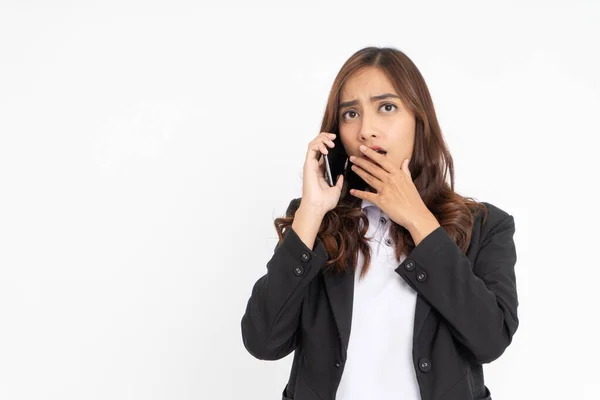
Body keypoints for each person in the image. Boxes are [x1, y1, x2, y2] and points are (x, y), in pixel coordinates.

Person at [240, 46, 518, 400]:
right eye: (351, 113)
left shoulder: (485, 225)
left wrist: (418, 219)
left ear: (420, 120)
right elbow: (263, 342)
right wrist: (311, 211)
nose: (366, 130)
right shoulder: (315, 220)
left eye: (386, 107)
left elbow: (490, 341)